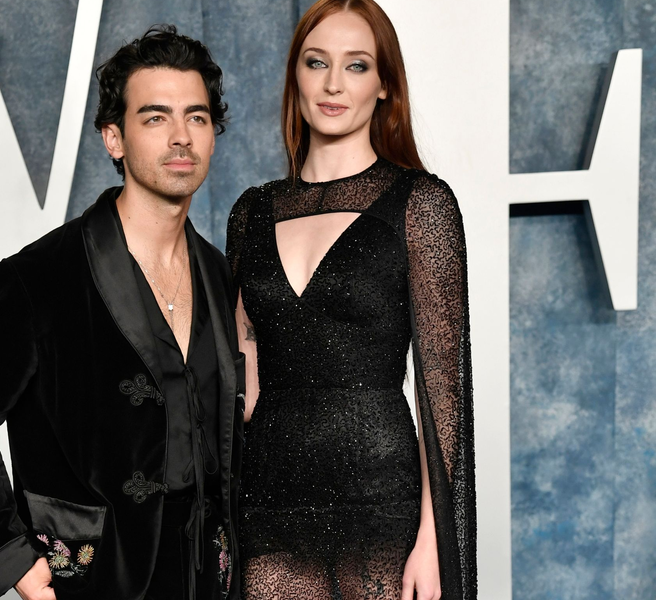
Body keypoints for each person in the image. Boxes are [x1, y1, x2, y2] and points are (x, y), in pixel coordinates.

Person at [0, 25, 245, 600]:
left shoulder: (224, 276)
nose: (181, 137)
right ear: (113, 138)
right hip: (93, 575)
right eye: (155, 117)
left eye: (196, 117)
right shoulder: (39, 277)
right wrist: (13, 561)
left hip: (210, 574)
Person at [225, 1, 476, 599]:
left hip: (383, 511)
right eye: (317, 63)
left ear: (385, 84)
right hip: (270, 506)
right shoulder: (251, 212)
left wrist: (434, 542)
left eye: (357, 66)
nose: (334, 84)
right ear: (296, 76)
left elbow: (445, 390)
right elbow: (244, 373)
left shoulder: (421, 204)